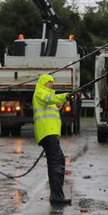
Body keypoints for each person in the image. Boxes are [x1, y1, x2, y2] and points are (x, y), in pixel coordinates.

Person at [33, 74, 73, 206]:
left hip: (51, 134)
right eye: (50, 81)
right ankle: (57, 197)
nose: (52, 84)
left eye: (53, 81)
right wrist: (65, 95)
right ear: (43, 82)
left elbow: (54, 103)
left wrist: (61, 102)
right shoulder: (40, 92)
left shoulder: (49, 97)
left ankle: (56, 195)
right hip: (47, 133)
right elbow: (50, 98)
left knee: (58, 161)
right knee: (56, 164)